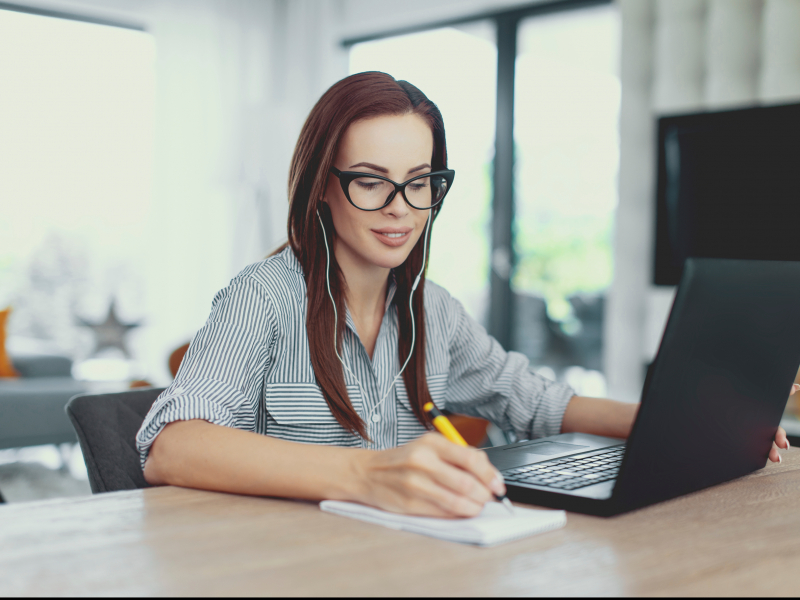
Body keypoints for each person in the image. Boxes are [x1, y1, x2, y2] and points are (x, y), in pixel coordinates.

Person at [137, 72, 792, 518]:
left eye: (420, 181)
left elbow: (537, 403)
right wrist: (366, 475)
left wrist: (693, 425)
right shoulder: (262, 298)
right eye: (371, 181)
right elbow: (171, 445)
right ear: (323, 187)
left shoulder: (434, 311)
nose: (401, 208)